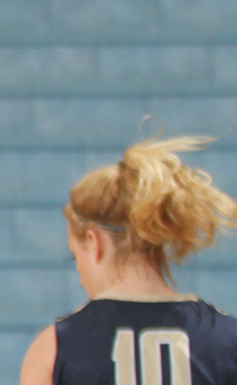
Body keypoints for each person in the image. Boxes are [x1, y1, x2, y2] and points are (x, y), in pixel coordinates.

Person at [18, 136, 237, 385]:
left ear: (94, 242)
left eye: (75, 257)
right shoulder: (228, 338)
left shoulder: (54, 348)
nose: (80, 279)